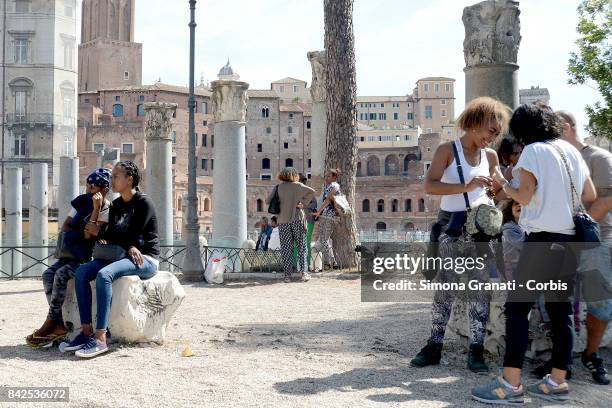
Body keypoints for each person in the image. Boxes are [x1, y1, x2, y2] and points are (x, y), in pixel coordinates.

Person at [472, 104, 597, 404]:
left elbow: (524, 196)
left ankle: (510, 385)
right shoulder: (571, 152)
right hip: (570, 243)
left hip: (542, 241)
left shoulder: (532, 152)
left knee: (517, 311)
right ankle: (557, 383)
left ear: (523, 130)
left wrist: (504, 184)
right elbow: (590, 195)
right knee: (560, 313)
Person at [411, 96, 510, 373]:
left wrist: (499, 189)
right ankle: (434, 346)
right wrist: (466, 187)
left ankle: (475, 350)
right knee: (447, 288)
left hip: (480, 231)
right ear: (476, 123)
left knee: (480, 290)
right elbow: (430, 186)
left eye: (497, 133)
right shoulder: (447, 150)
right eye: (491, 131)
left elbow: (497, 190)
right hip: (452, 228)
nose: (493, 138)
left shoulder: (490, 156)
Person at [64, 161, 160, 358]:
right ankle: (87, 332)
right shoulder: (115, 205)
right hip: (121, 254)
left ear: (129, 179)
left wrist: (131, 245)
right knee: (82, 272)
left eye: (116, 176)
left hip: (145, 259)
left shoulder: (143, 203)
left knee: (104, 274)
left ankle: (101, 338)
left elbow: (134, 233)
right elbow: (109, 236)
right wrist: (97, 221)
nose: (112, 179)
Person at [554, 110, 611, 385]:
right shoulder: (557, 160)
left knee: (601, 305)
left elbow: (605, 201)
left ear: (564, 128)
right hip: (561, 242)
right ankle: (561, 362)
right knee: (555, 302)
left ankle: (591, 353)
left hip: (595, 241)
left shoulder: (599, 158)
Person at [25, 168, 112, 348]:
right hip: (70, 252)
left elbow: (89, 235)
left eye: (93, 186)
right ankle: (56, 322)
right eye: (88, 185)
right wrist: (83, 230)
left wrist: (95, 210)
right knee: (48, 274)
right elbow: (66, 226)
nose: (89, 190)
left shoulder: (107, 209)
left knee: (62, 274)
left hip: (87, 257)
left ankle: (50, 323)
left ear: (104, 189)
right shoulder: (80, 202)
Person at [267, 167, 315, 283]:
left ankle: (287, 275)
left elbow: (268, 201)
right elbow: (312, 192)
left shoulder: (278, 187)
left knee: (286, 248)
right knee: (301, 247)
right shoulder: (298, 186)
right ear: (294, 175)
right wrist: (302, 203)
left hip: (283, 220)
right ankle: (304, 273)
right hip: (297, 218)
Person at [313, 169, 343, 269]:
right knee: (323, 239)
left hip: (330, 216)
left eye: (329, 176)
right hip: (325, 216)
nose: (327, 178)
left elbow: (327, 200)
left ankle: (331, 262)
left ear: (334, 177)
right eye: (327, 176)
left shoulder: (335, 186)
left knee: (324, 239)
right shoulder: (328, 186)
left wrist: (319, 211)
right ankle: (329, 262)